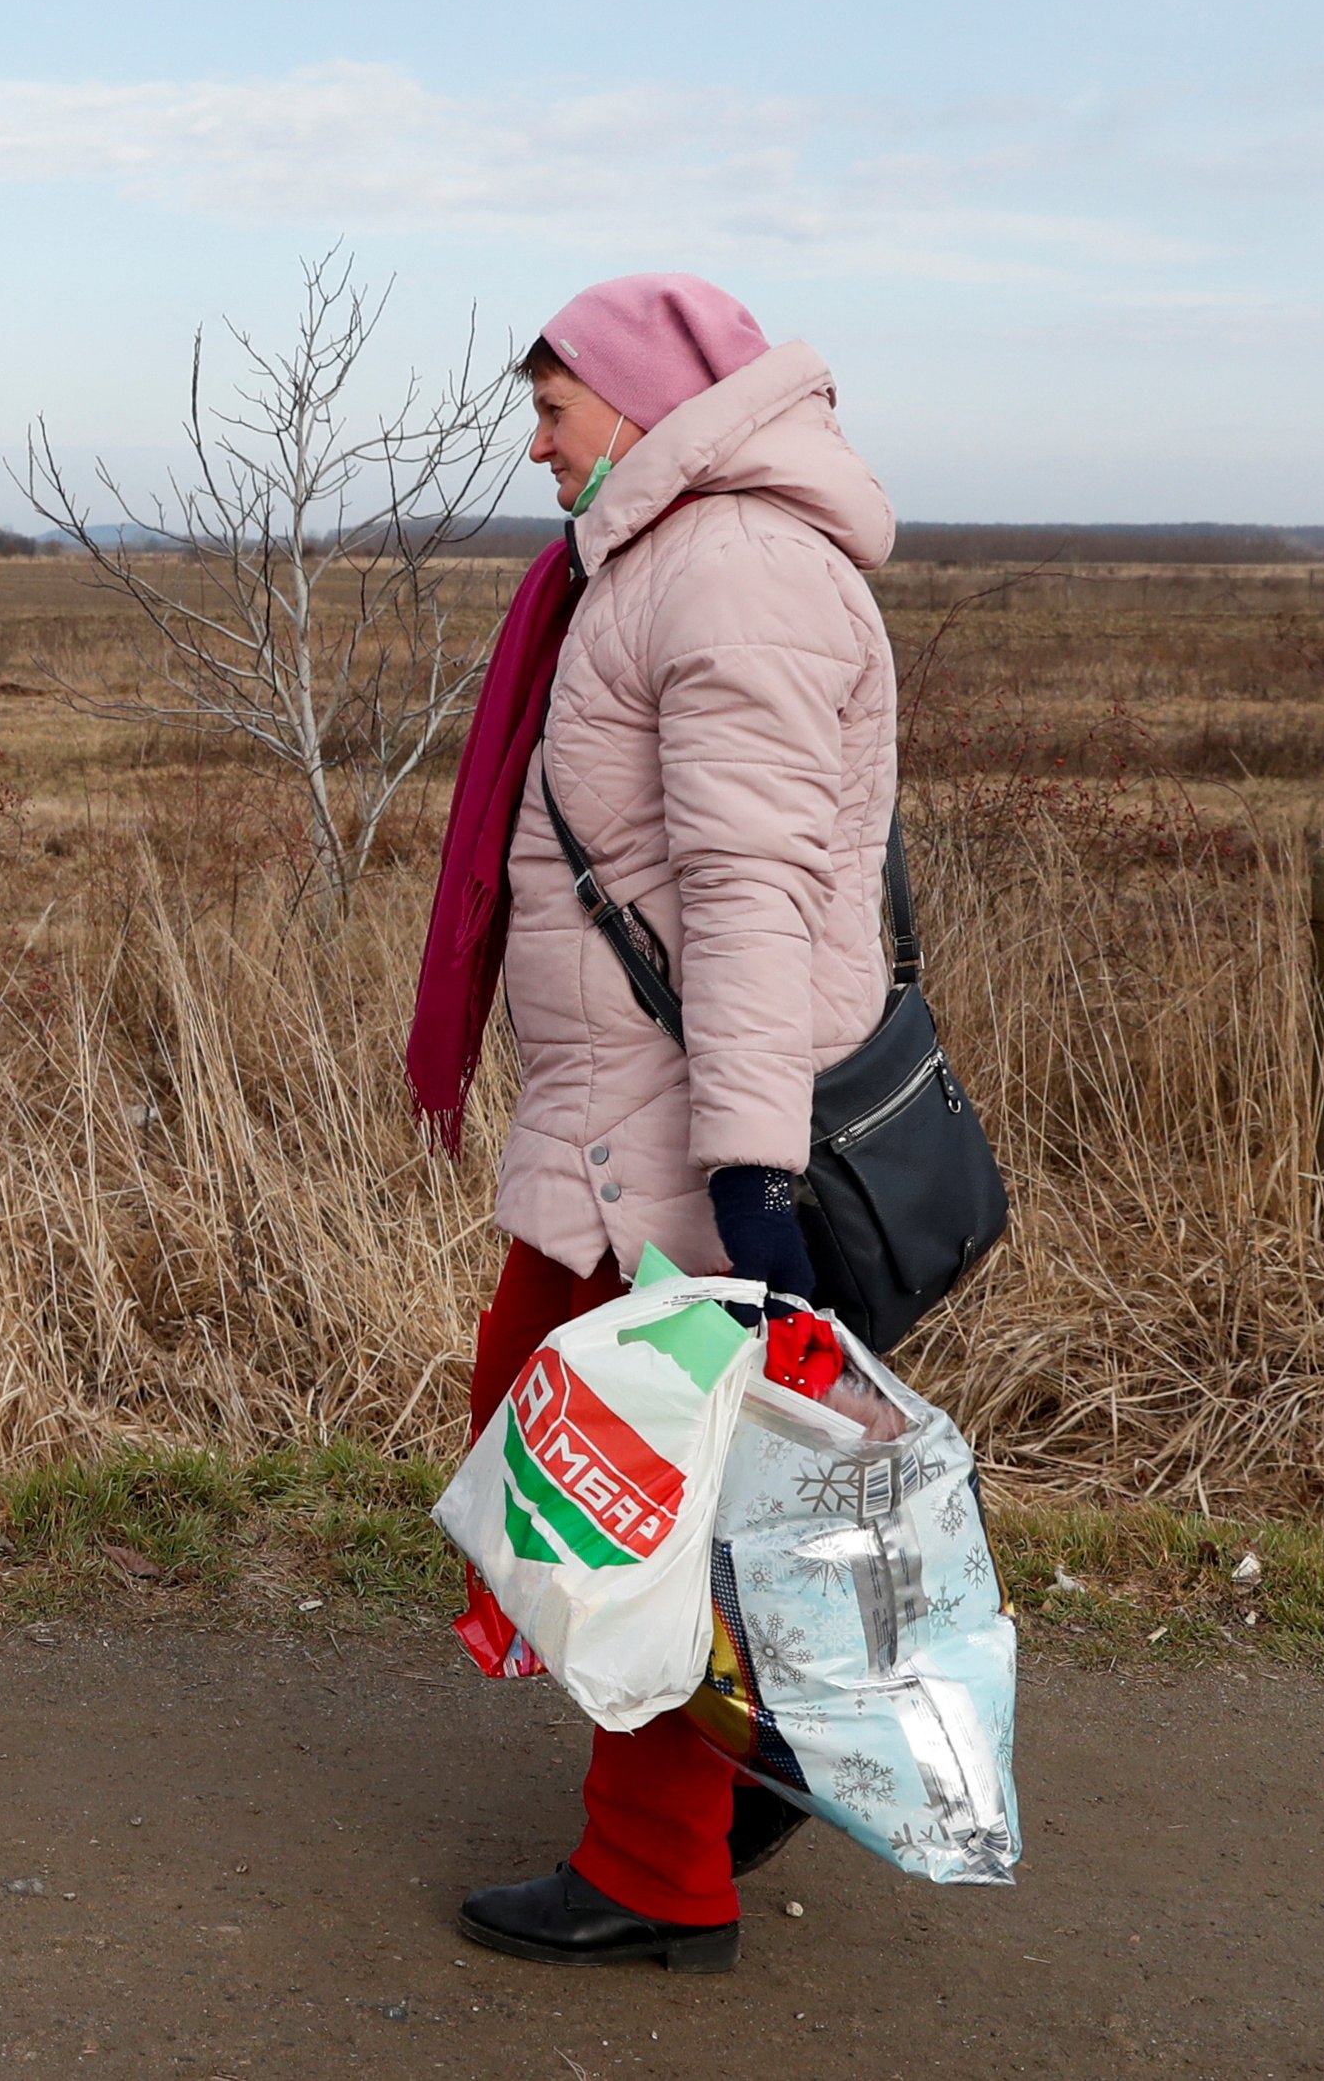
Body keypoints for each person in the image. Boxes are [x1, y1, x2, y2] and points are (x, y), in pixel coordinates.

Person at [407, 275, 902, 1969]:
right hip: (620, 1124)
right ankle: (738, 1763)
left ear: (640, 403)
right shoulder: (655, 564)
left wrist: (751, 1177)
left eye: (553, 413)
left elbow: (753, 894)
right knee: (569, 1466)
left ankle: (661, 1866)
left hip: (678, 1148)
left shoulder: (731, 571)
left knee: (625, 1505)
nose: (534, 449)